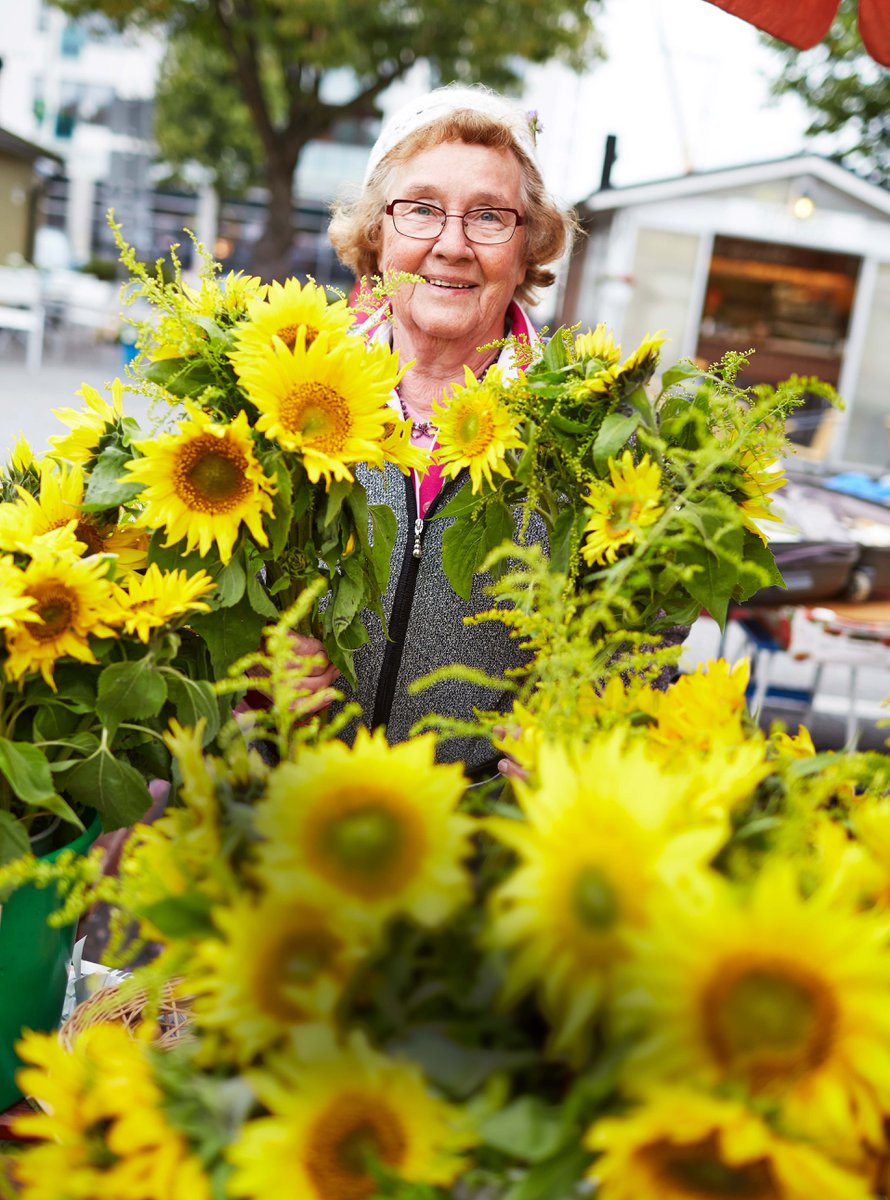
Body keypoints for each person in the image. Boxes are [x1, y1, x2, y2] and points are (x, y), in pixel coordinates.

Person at [277, 84, 577, 782]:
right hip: (286, 815)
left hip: (479, 845)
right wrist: (249, 680)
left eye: (490, 217)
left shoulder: (584, 427)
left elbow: (641, 633)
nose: (451, 244)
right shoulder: (287, 391)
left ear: (529, 246)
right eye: (421, 210)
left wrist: (577, 735)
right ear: (377, 233)